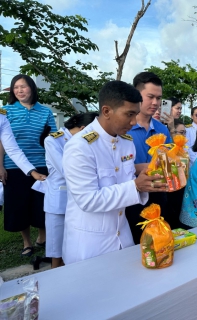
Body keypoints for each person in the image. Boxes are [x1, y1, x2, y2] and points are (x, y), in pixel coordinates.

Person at [62, 81, 167, 264]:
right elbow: (88, 199)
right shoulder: (80, 146)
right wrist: (136, 186)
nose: (133, 122)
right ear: (106, 111)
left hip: (122, 237)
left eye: (135, 114)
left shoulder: (126, 142)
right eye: (129, 114)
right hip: (90, 244)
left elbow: (123, 180)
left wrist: (145, 180)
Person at [0, 74, 57, 257]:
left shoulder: (45, 112)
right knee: (18, 205)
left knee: (41, 204)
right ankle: (27, 242)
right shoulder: (6, 111)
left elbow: (54, 139)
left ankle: (43, 238)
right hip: (13, 166)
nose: (19, 90)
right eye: (15, 87)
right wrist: (0, 165)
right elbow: (2, 142)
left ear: (32, 88)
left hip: (40, 163)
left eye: (23, 87)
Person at [41, 112, 98, 268]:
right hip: (59, 200)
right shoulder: (53, 140)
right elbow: (66, 170)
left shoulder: (88, 141)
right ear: (83, 128)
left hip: (79, 202)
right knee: (57, 249)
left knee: (73, 246)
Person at [125, 72, 172, 244]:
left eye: (158, 98)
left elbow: (170, 158)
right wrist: (141, 167)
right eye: (150, 97)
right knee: (135, 244)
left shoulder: (162, 129)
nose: (155, 103)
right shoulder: (124, 128)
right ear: (137, 95)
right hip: (131, 195)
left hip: (159, 194)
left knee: (159, 241)